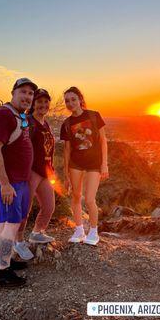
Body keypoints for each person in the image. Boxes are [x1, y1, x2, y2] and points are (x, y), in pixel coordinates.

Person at [0, 77, 38, 287]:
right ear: (13, 92)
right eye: (23, 91)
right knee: (12, 223)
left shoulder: (17, 115)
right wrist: (5, 184)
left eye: (30, 93)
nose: (27, 96)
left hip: (16, 180)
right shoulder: (4, 115)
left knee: (5, 221)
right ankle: (4, 273)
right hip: (10, 182)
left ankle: (0, 259)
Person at [60, 86, 109, 246]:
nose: (70, 103)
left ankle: (93, 231)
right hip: (75, 164)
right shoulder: (66, 124)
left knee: (89, 199)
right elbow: (67, 150)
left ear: (80, 99)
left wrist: (104, 164)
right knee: (75, 196)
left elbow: (103, 141)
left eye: (73, 99)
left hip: (94, 164)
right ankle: (79, 229)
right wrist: (66, 172)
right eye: (67, 101)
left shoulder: (94, 116)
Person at [14, 88, 55, 260]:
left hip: (44, 171)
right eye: (39, 101)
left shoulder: (45, 123)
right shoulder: (27, 121)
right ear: (33, 104)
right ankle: (18, 241)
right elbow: (19, 146)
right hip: (30, 171)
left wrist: (51, 169)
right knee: (25, 208)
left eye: (46, 102)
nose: (43, 105)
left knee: (49, 205)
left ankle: (37, 232)